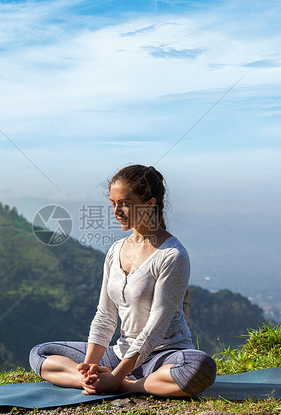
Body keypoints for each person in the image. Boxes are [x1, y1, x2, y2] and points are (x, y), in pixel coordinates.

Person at [29, 165, 216, 396]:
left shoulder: (172, 256)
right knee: (40, 353)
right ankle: (90, 381)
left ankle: (124, 385)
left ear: (150, 204)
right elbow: (105, 315)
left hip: (162, 357)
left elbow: (153, 331)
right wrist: (90, 367)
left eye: (125, 204)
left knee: (199, 367)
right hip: (120, 354)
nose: (117, 211)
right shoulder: (115, 250)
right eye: (113, 203)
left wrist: (117, 377)